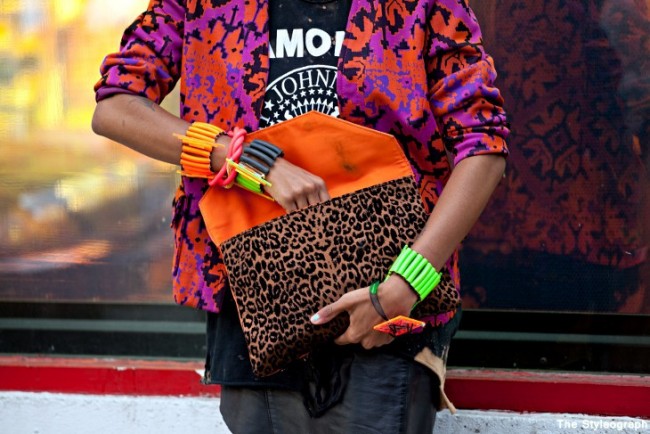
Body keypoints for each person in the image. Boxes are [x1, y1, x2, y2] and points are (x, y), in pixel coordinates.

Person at [92, 0, 509, 432]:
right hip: (255, 298)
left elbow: (484, 146)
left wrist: (406, 284)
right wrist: (246, 159)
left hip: (386, 302)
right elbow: (116, 105)